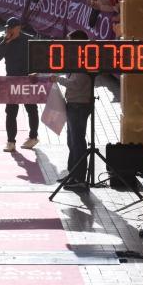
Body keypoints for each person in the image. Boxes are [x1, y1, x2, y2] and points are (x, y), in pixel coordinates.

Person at [50, 30, 93, 190]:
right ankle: (72, 173)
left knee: (78, 142)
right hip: (74, 104)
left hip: (79, 105)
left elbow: (76, 83)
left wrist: (58, 79)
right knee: (72, 141)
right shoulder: (76, 59)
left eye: (70, 42)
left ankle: (79, 178)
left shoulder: (84, 60)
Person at [0, 16, 39, 152]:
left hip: (27, 79)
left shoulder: (29, 40)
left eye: (11, 28)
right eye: (7, 28)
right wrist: (5, 42)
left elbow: (39, 58)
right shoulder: (3, 39)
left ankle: (33, 137)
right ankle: (11, 141)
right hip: (11, 80)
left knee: (31, 108)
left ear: (18, 28)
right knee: (11, 111)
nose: (9, 31)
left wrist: (36, 72)